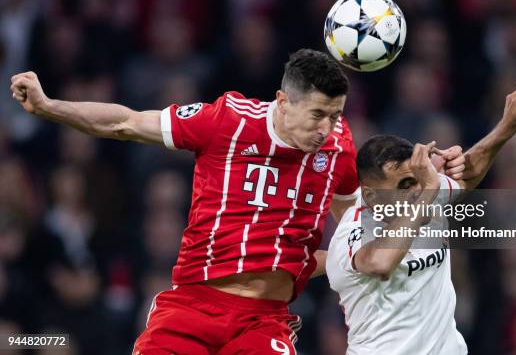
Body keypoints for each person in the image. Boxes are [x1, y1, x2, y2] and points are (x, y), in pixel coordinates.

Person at [10, 48, 466, 354]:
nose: (327, 129)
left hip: (264, 321)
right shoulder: (226, 120)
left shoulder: (339, 148)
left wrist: (426, 180)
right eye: (317, 115)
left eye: (336, 115)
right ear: (283, 101)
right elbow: (127, 122)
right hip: (191, 306)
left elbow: (359, 223)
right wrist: (50, 106)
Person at [326, 85, 516, 355]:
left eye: (414, 180)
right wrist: (428, 190)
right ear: (371, 195)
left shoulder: (424, 193)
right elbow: (380, 263)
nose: (413, 191)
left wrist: (508, 126)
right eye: (403, 185)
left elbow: (467, 175)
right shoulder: (352, 229)